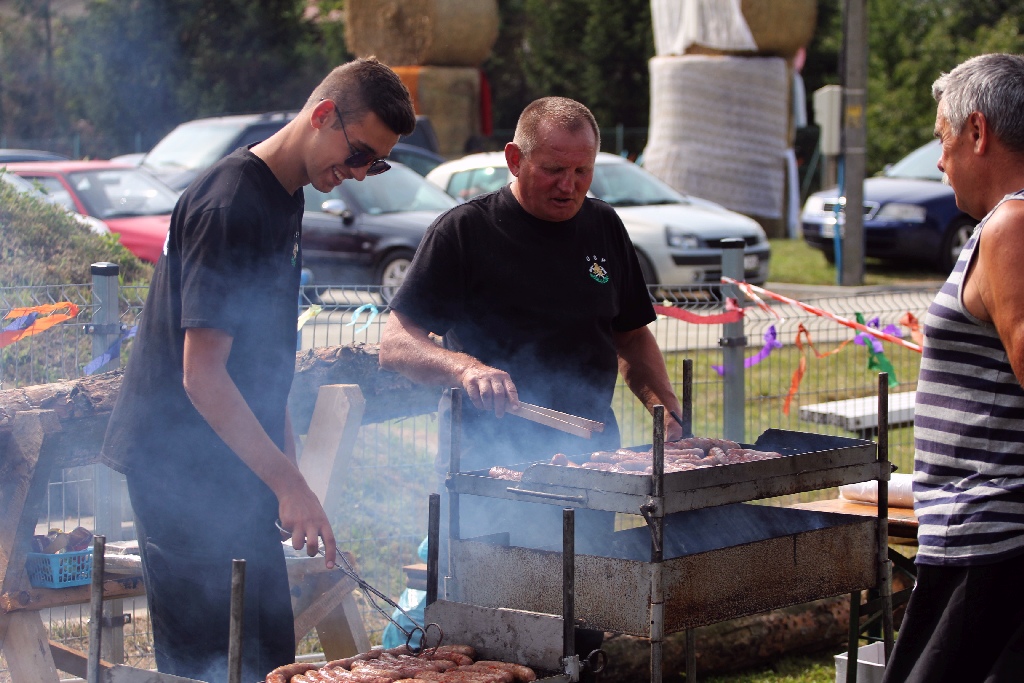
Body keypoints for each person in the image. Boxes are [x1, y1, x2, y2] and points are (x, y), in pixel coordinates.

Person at [101, 58, 415, 682]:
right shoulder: (231, 202)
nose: (356, 174)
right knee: (208, 665)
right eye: (357, 154)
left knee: (269, 653)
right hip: (179, 471)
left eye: (374, 165)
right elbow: (203, 375)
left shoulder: (287, 197)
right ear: (324, 115)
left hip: (234, 463)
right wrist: (289, 485)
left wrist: (288, 477)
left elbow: (263, 363)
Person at [379, 96, 683, 551]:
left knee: (585, 602)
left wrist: (669, 416)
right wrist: (466, 369)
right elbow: (396, 342)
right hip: (488, 465)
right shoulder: (464, 232)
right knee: (494, 610)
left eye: (582, 172)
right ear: (515, 160)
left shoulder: (604, 226)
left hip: (590, 461)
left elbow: (632, 335)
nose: (569, 186)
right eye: (554, 170)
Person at [881, 53, 1024, 683]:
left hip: (991, 539)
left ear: (977, 132)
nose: (940, 161)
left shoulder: (1013, 226)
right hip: (980, 534)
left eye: (943, 139)